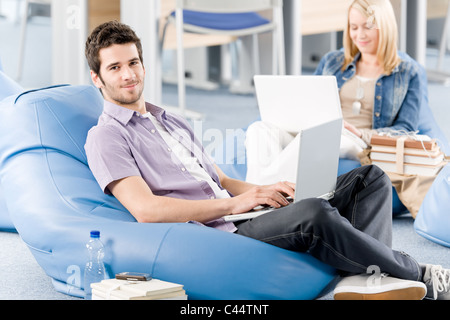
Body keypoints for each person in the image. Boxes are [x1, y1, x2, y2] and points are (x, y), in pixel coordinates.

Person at [84, 20, 450, 300]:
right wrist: (238, 203)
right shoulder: (107, 136)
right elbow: (146, 210)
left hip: (241, 213)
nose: (128, 74)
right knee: (314, 213)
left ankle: (365, 282)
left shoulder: (170, 120)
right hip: (219, 234)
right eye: (114, 68)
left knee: (369, 178)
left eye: (133, 62)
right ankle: (415, 272)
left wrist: (264, 191)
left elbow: (221, 180)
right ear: (97, 78)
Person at [245, 0, 426, 185]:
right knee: (259, 130)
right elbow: (308, 99)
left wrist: (362, 134)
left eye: (368, 27)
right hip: (319, 129)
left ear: (385, 26)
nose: (360, 34)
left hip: (358, 141)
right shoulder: (333, 61)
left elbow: (406, 130)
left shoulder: (408, 72)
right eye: (353, 27)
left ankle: (258, 195)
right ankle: (258, 198)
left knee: (315, 139)